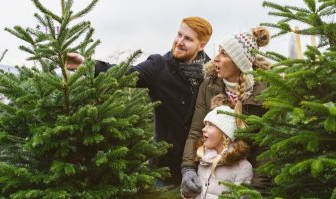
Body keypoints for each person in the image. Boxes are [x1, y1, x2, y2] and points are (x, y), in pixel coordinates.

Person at [67, 17, 213, 185]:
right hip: (165, 169)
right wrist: (86, 64)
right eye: (179, 34)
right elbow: (123, 73)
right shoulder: (159, 66)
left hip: (202, 165)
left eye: (187, 39)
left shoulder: (211, 73)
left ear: (201, 45)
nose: (179, 41)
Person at [181, 27, 271, 197]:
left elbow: (267, 147)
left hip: (245, 177)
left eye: (224, 54)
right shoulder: (208, 86)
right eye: (218, 52)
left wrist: (257, 190)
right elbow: (196, 131)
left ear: (239, 62)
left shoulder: (265, 92)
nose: (216, 58)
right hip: (212, 175)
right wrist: (188, 169)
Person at [184, 95, 253, 199]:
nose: (203, 129)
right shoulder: (202, 159)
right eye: (205, 124)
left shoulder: (243, 168)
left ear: (225, 134)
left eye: (210, 125)